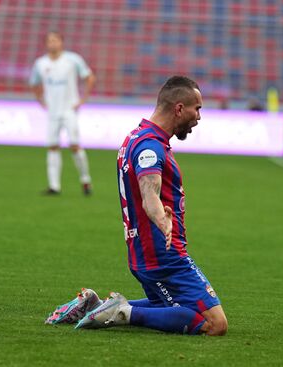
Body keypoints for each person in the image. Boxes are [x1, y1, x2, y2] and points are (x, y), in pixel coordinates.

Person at [45, 76, 228, 336]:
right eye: (196, 108)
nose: (199, 116)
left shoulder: (136, 137)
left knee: (167, 305)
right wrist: (161, 219)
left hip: (146, 252)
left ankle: (96, 306)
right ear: (178, 108)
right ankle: (123, 312)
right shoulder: (150, 146)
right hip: (162, 255)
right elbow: (148, 192)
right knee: (214, 324)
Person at [29, 31, 96, 195]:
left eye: (55, 40)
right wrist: (41, 100)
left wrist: (83, 99)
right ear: (46, 44)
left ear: (61, 42)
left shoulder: (72, 60)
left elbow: (89, 77)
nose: (52, 43)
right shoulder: (40, 63)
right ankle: (54, 186)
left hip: (69, 110)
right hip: (52, 111)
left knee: (74, 145)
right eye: (49, 40)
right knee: (52, 147)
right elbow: (34, 83)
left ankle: (85, 180)